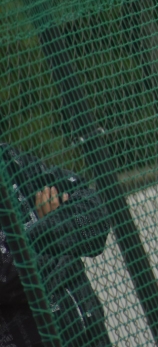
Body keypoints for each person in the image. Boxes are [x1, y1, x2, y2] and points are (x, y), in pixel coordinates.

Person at [0, 142, 110, 347]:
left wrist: (50, 228)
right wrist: (61, 243)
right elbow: (18, 276)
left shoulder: (9, 160)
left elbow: (97, 216)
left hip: (92, 335)